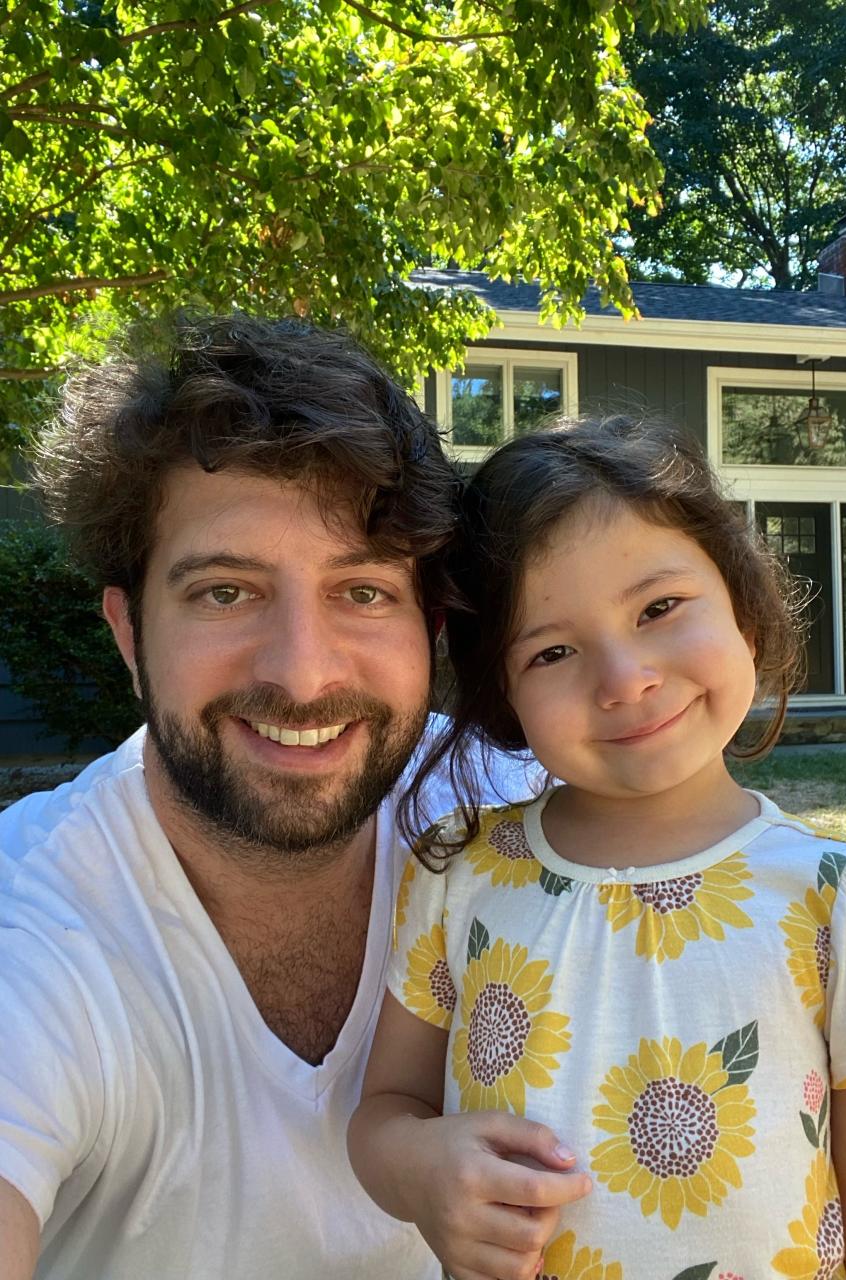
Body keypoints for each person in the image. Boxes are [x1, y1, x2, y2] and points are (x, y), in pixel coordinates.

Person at [348, 416, 846, 1280]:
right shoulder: (458, 873)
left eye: (659, 608)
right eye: (554, 650)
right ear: (502, 696)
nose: (625, 678)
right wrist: (419, 1170)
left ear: (744, 606)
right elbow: (385, 1113)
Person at [0, 314, 539, 1280]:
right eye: (224, 592)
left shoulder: (527, 835)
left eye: (363, 592)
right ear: (130, 635)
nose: (301, 675)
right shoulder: (34, 923)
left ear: (431, 626)